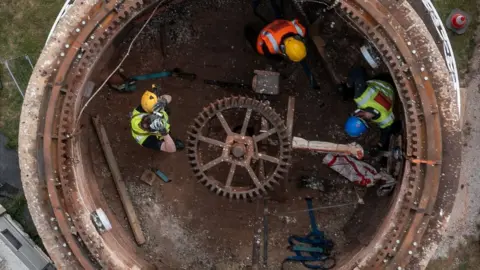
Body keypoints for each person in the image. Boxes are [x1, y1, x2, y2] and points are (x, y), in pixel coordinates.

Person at [342, 67, 401, 150]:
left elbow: (386, 132)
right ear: (359, 114)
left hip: (392, 90)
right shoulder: (361, 97)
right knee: (346, 90)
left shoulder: (385, 120)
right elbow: (358, 70)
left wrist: (379, 145)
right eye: (353, 114)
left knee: (392, 128)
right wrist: (348, 85)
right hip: (384, 81)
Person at [130, 85, 184, 152]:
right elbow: (171, 149)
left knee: (166, 109)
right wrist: (164, 132)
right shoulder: (146, 140)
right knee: (171, 144)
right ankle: (168, 139)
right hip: (160, 134)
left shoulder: (142, 109)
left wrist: (163, 101)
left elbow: (169, 97)